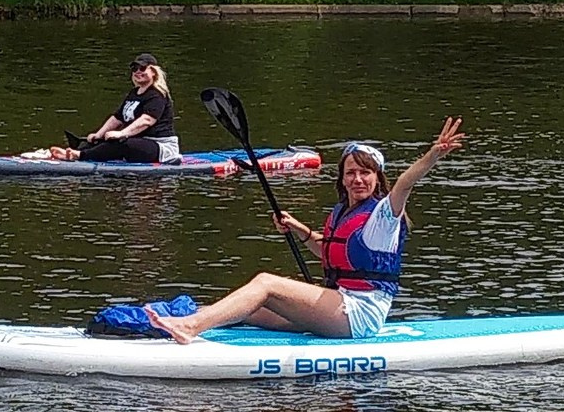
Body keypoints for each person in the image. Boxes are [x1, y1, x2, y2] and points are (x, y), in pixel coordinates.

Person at [151, 117, 465, 344]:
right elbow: (330, 250)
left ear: (377, 178)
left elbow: (405, 183)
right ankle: (175, 322)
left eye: (365, 173)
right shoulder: (344, 211)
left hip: (359, 314)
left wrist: (433, 154)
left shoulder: (384, 214)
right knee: (249, 310)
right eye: (351, 173)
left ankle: (190, 327)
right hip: (337, 303)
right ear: (342, 179)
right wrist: (300, 231)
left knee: (265, 284)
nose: (357, 179)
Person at [49, 54, 179, 163]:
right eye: (134, 68)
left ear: (153, 72)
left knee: (121, 143)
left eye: (142, 68)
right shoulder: (133, 93)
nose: (138, 71)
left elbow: (146, 120)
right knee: (101, 141)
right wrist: (98, 135)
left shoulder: (157, 95)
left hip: (161, 146)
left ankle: (79, 156)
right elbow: (117, 118)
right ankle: (75, 152)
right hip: (139, 141)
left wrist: (122, 133)